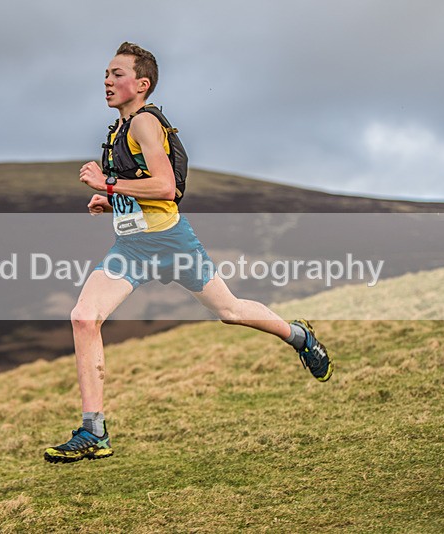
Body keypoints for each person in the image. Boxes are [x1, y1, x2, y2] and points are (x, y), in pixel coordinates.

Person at [43, 42, 333, 464]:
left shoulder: (143, 123)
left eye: (117, 74)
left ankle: (300, 337)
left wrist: (107, 186)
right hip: (132, 248)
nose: (107, 81)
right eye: (105, 74)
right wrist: (113, 203)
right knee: (84, 318)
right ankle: (94, 430)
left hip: (173, 244)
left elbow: (166, 188)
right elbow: (144, 190)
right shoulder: (119, 129)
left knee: (230, 312)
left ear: (141, 85)